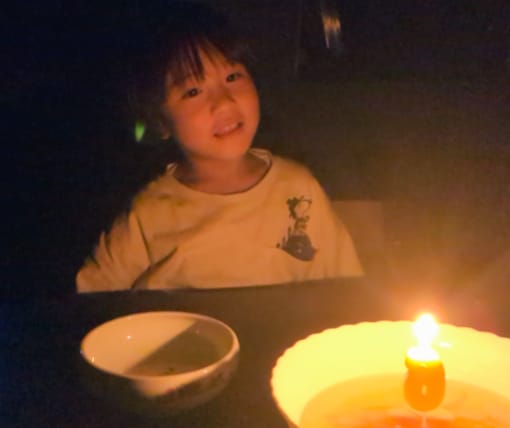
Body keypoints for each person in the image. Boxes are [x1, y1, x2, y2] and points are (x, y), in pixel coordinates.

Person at [76, 2, 363, 292]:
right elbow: (93, 296)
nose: (224, 102)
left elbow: (345, 287)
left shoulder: (298, 189)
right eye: (193, 91)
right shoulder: (148, 214)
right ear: (160, 122)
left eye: (232, 77)